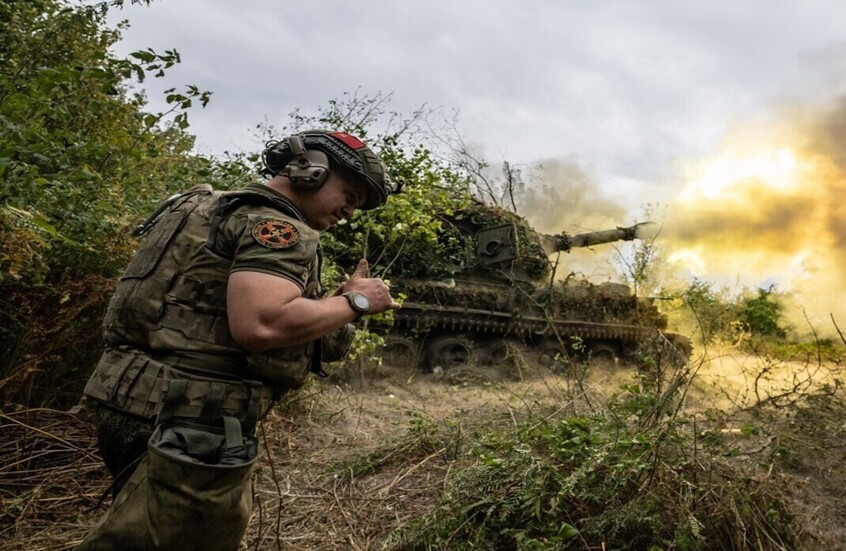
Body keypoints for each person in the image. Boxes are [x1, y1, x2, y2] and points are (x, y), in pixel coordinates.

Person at [78, 130, 401, 550]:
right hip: (190, 419)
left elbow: (203, 310)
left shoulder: (204, 206)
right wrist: (359, 301)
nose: (350, 211)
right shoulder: (275, 226)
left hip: (132, 400)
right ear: (311, 170)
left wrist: (334, 304)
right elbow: (261, 326)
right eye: (350, 194)